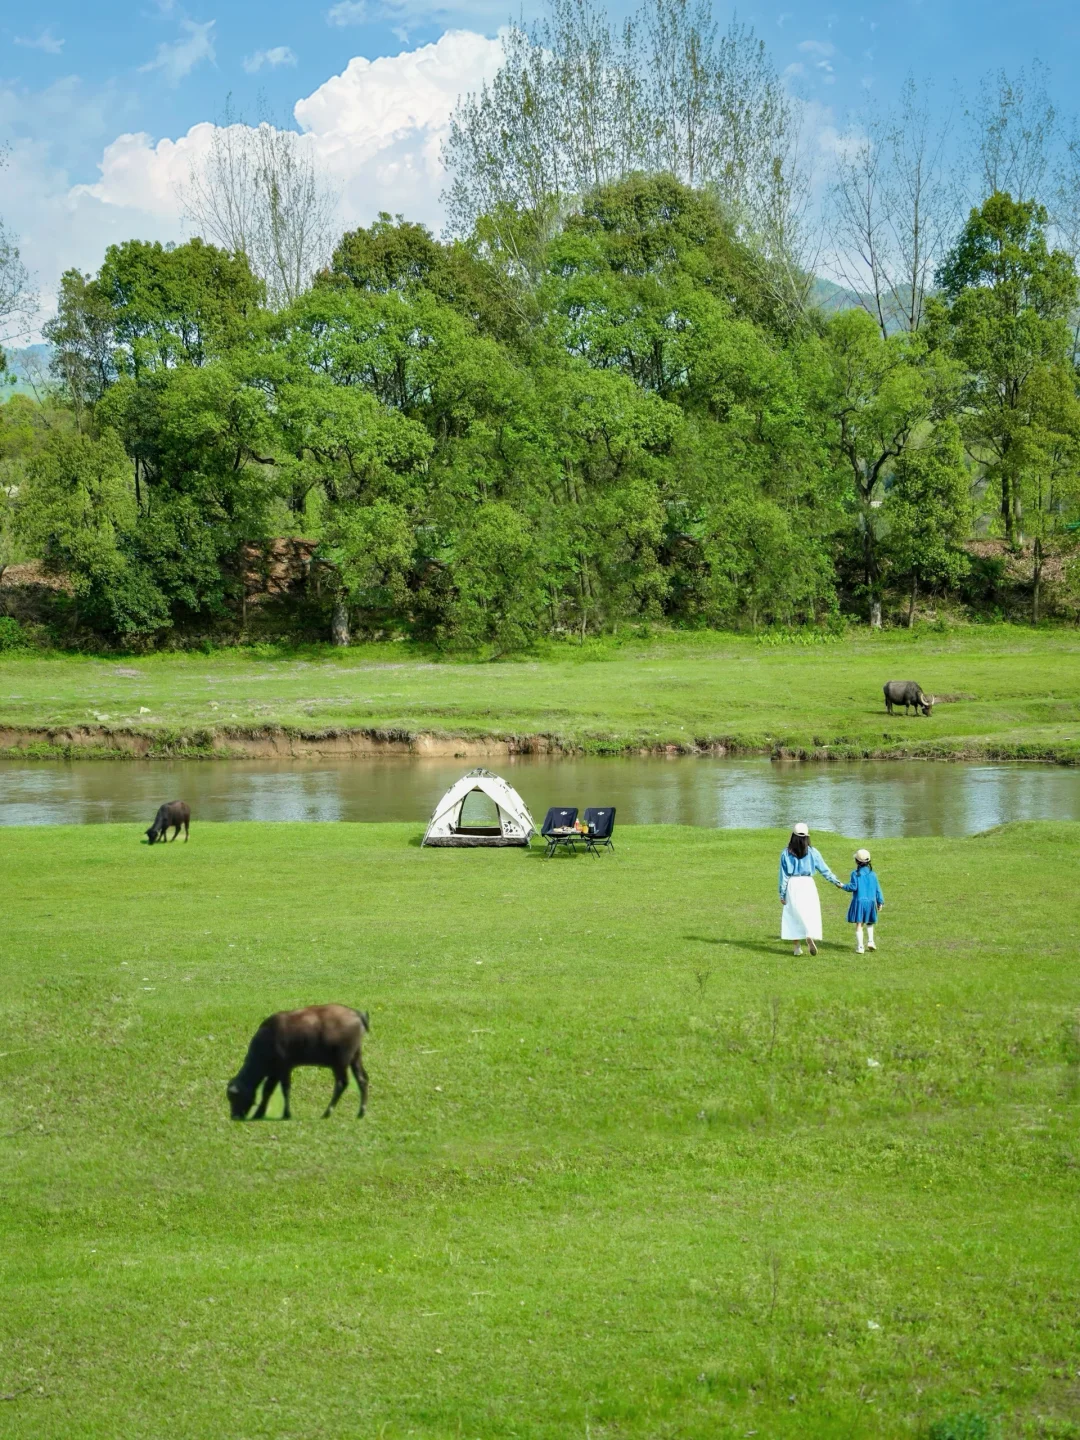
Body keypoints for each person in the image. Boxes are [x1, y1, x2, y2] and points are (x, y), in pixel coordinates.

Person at [778, 822, 844, 956]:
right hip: (808, 884)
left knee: (792, 915)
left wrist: (782, 893)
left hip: (793, 884)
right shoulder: (813, 852)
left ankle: (797, 947)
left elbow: (783, 876)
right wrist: (836, 881)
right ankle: (809, 934)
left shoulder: (786, 853)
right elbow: (825, 870)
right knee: (809, 912)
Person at [841, 848, 885, 953]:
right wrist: (880, 902)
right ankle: (871, 941)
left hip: (859, 902)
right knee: (870, 922)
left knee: (859, 924)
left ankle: (860, 947)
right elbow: (878, 889)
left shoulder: (855, 874)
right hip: (871, 902)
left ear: (857, 861)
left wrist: (842, 886)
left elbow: (852, 887)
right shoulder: (873, 874)